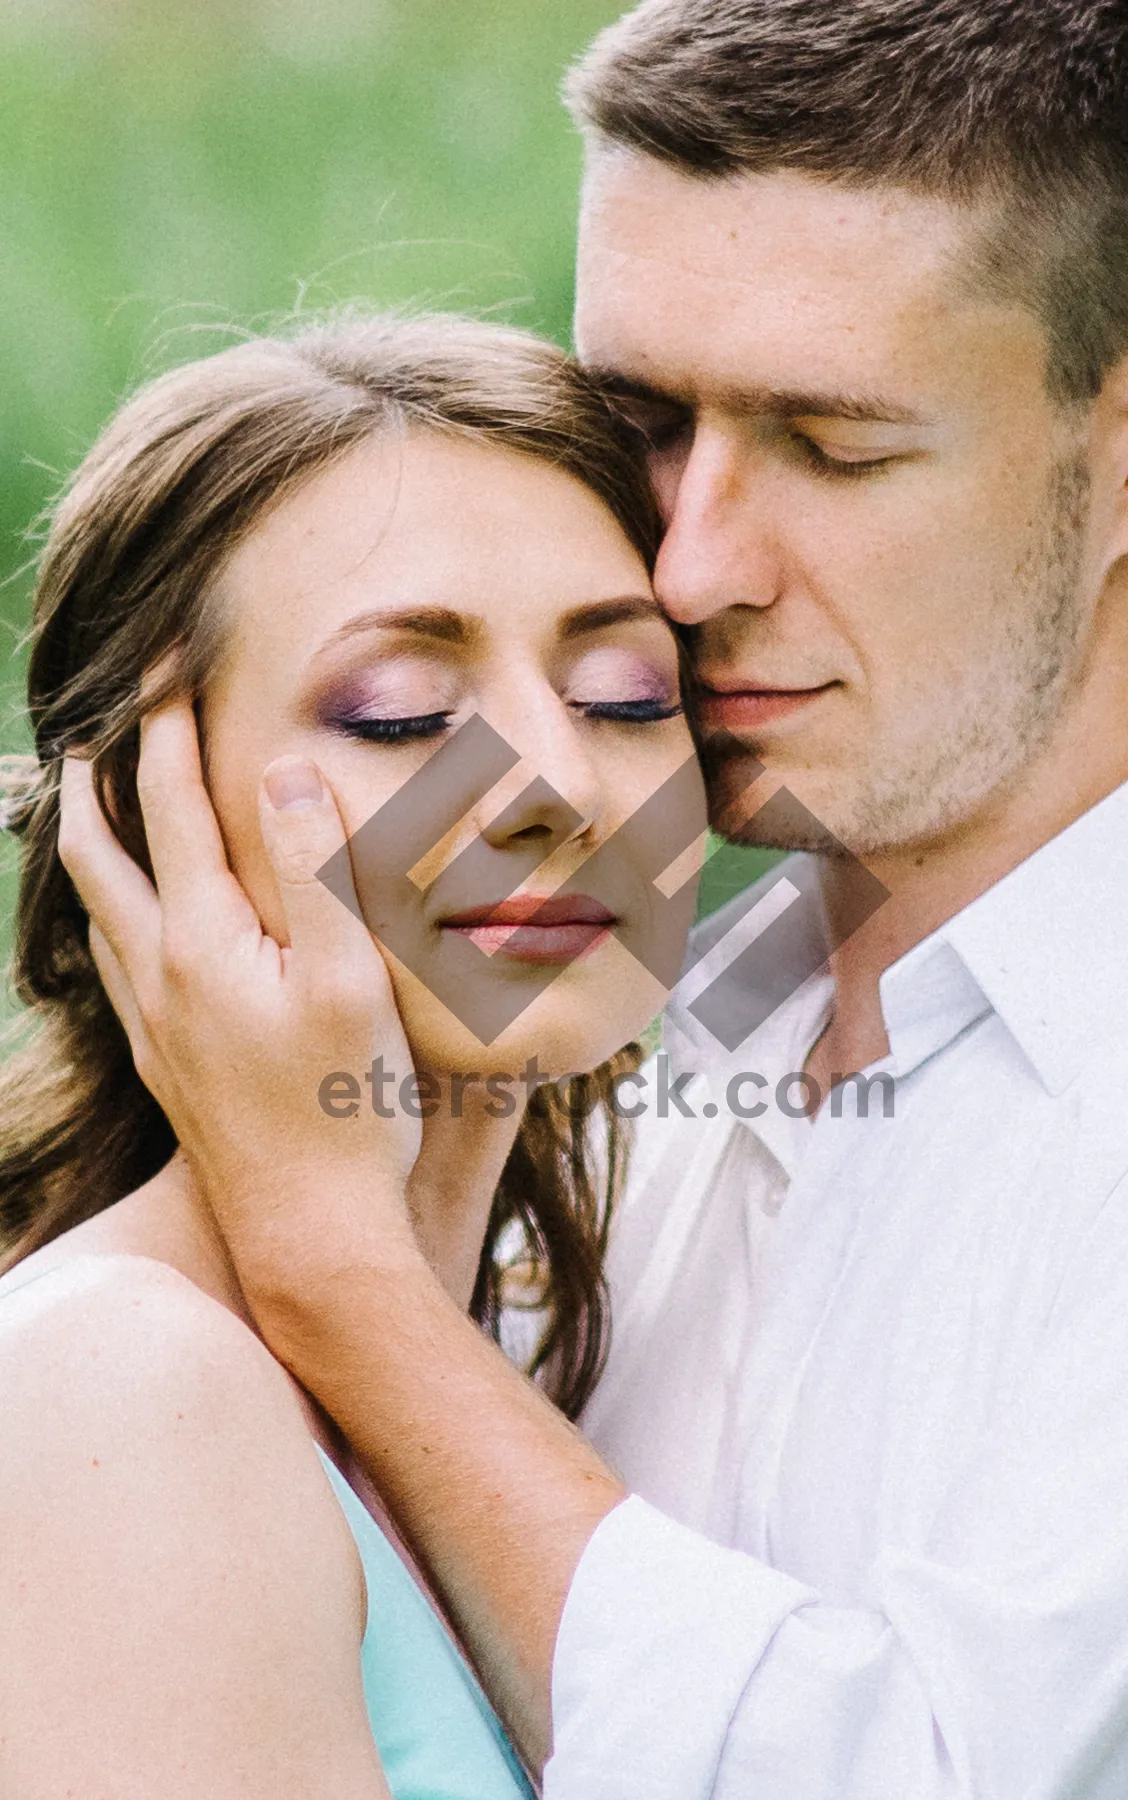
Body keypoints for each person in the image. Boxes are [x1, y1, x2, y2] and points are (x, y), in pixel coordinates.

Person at [45, 0, 1128, 1793]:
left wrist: (342, 1274)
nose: (691, 561)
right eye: (647, 421)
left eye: (834, 441)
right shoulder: (644, 1089)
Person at [0, 311, 707, 1796]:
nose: (562, 784)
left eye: (627, 694)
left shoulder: (555, 1367)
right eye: (402, 713)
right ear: (143, 802)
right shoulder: (123, 1387)